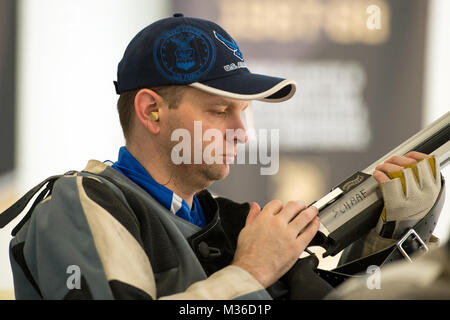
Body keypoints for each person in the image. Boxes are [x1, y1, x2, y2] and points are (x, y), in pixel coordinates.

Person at [5, 14, 442, 300]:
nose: (241, 132)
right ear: (151, 111)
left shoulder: (232, 224)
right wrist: (253, 270)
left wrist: (396, 232)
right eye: (220, 111)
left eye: (244, 113)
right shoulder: (79, 204)